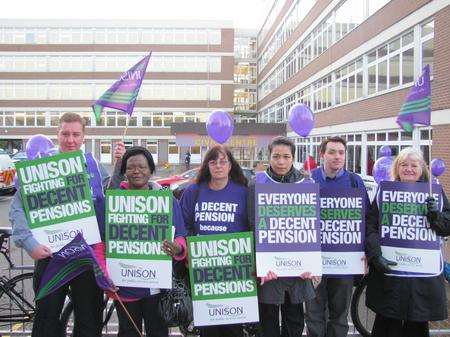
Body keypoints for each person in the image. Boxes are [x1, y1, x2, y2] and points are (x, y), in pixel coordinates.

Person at [9, 112, 123, 337]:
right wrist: (30, 244)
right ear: (57, 134)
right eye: (65, 133)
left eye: (76, 134)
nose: (70, 139)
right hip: (50, 256)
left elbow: (111, 202)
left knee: (89, 320)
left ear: (84, 137)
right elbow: (18, 209)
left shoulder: (94, 167)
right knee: (46, 320)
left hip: (86, 257)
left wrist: (120, 166)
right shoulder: (39, 168)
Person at [365, 147, 450, 337]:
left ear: (422, 168)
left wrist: (436, 215)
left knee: (417, 326)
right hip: (391, 273)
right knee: (386, 325)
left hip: (421, 279)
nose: (408, 168)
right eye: (403, 164)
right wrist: (375, 255)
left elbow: (447, 226)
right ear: (397, 167)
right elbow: (370, 226)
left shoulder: (434, 192)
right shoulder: (385, 191)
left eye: (414, 165)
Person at [105, 146, 187, 337]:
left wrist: (177, 247)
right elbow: (104, 238)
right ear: (124, 171)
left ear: (151, 170)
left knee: (157, 332)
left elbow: (181, 235)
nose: (136, 171)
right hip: (124, 286)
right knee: (127, 333)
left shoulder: (166, 201)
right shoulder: (114, 201)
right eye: (131, 167)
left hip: (156, 288)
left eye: (142, 167)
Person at [247, 136, 316, 337]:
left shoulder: (306, 183)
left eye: (286, 156)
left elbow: (310, 226)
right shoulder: (256, 184)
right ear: (269, 157)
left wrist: (310, 263)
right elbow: (253, 226)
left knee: (294, 322)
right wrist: (257, 264)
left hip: (298, 271)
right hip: (268, 270)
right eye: (276, 156)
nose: (281, 161)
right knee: (267, 322)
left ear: (293, 158)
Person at [179, 145, 249, 337]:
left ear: (230, 166)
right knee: (208, 327)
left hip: (235, 270)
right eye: (213, 161)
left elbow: (251, 227)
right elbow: (182, 225)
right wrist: (188, 252)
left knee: (234, 327)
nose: (218, 165)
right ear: (207, 165)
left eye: (223, 161)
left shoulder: (242, 193)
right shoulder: (193, 191)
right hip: (203, 268)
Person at [304, 136, 369, 337]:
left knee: (339, 316)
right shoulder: (308, 179)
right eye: (332, 152)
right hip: (314, 261)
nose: (337, 157)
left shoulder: (354, 181)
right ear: (322, 155)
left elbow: (365, 218)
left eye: (341, 152)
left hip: (345, 262)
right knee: (314, 314)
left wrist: (366, 253)